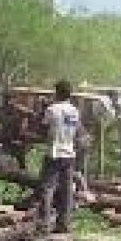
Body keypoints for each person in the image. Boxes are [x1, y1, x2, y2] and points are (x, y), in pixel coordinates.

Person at [41, 80, 80, 232]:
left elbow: (44, 127)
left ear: (57, 93)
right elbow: (75, 131)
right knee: (66, 190)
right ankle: (64, 224)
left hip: (54, 153)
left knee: (47, 189)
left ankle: (44, 224)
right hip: (69, 154)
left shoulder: (52, 110)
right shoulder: (74, 111)